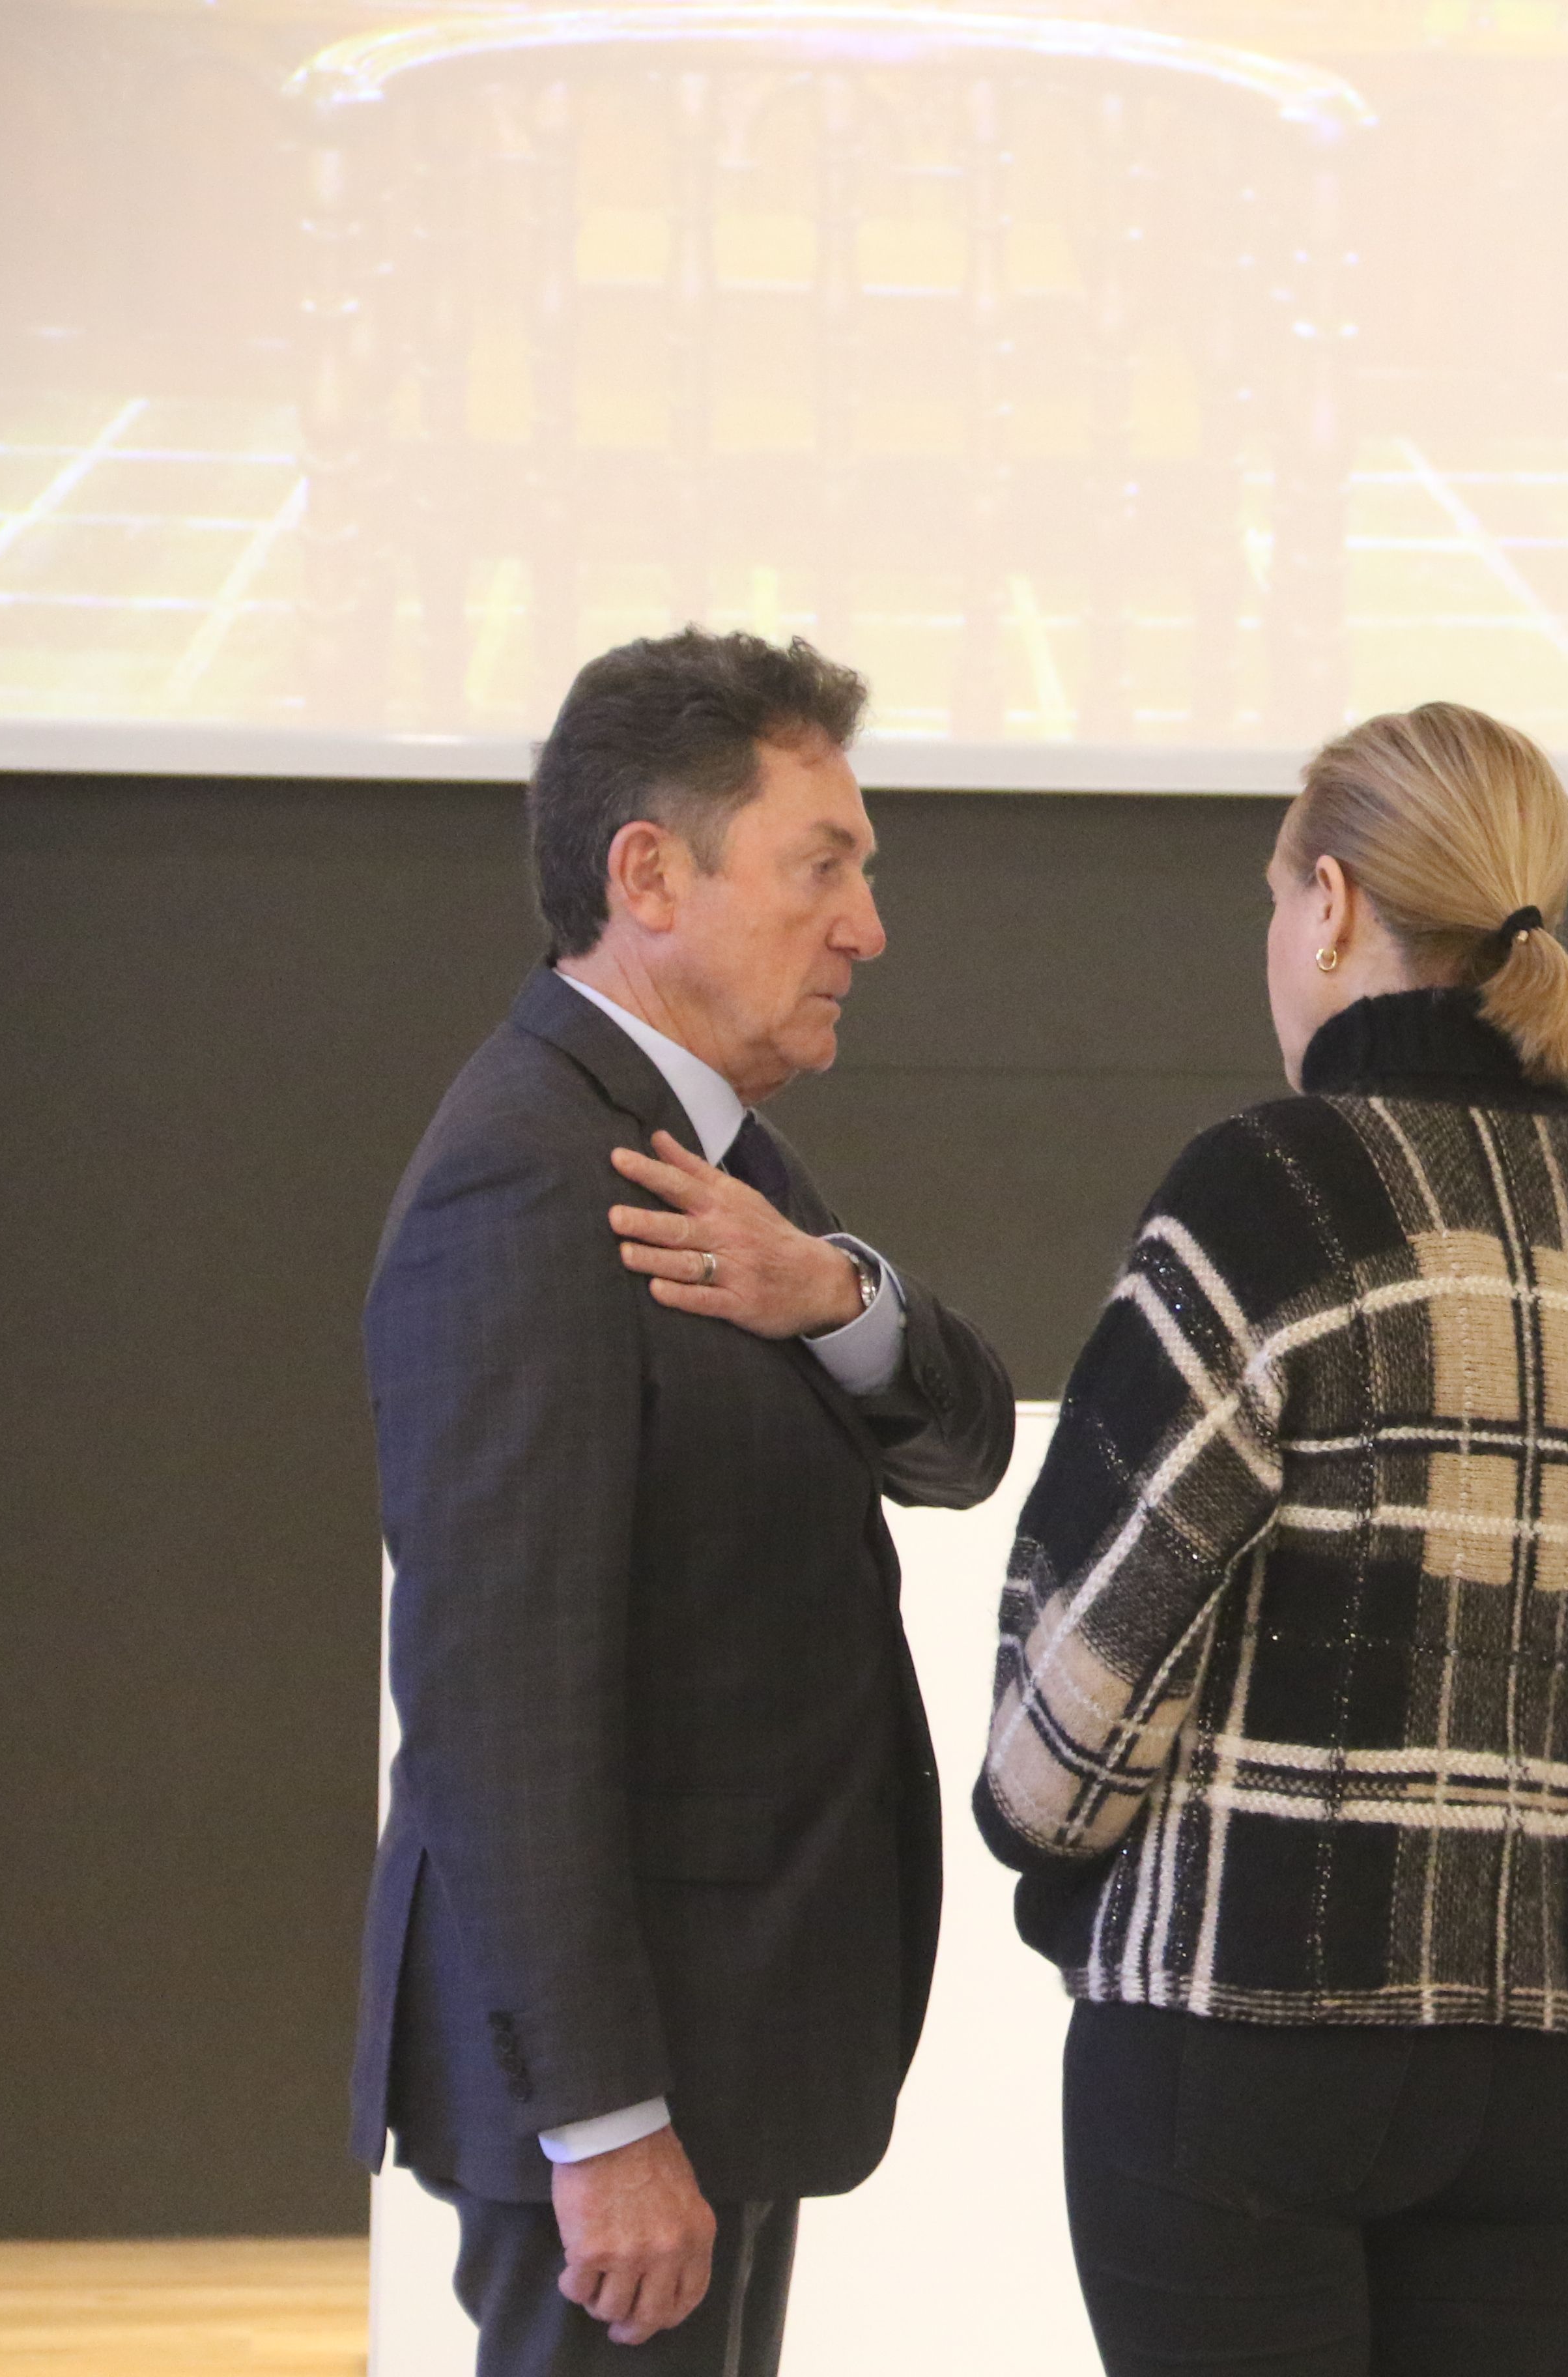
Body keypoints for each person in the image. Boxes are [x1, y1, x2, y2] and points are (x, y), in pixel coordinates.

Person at [977, 702, 1568, 2377]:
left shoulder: (1274, 1190)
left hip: (1242, 2033)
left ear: (1329, 903)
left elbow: (1103, 1640)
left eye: (1275, 899)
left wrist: (1046, 1854)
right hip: (1553, 2050)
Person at [352, 629, 1016, 2376]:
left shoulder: (711, 1158)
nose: (867, 927)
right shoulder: (532, 1174)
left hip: (729, 2055)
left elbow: (961, 1448)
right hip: (634, 2093)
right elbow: (499, 1702)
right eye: (825, 869)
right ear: (647, 875)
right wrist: (602, 2121)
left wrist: (841, 1298)